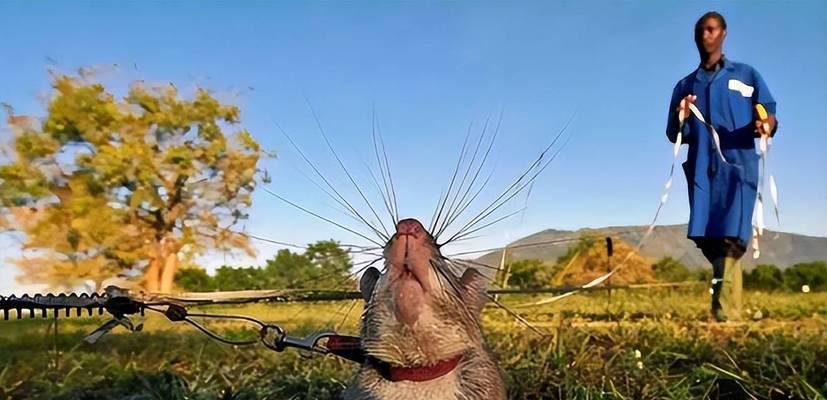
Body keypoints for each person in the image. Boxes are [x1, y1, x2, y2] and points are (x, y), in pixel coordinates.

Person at [665, 11, 778, 322]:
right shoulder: (685, 85)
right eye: (700, 30)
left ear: (724, 33)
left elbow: (769, 114)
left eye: (711, 29)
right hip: (703, 171)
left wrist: (765, 123)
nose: (706, 35)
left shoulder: (746, 76)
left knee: (731, 239)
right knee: (711, 241)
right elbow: (673, 134)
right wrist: (681, 116)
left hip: (739, 168)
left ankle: (725, 317)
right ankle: (727, 309)